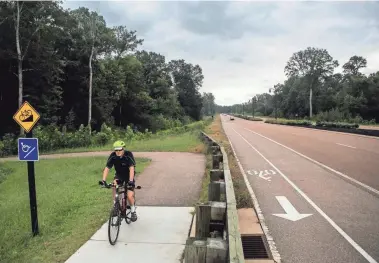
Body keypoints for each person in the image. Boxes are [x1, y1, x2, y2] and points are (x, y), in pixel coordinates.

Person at [100, 140, 137, 222]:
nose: (118, 152)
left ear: (123, 149)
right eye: (116, 150)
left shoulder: (128, 154)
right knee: (113, 185)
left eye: (119, 150)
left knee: (130, 196)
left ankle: (133, 211)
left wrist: (131, 181)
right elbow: (107, 168)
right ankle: (115, 206)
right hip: (119, 175)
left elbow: (131, 168)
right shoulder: (113, 156)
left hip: (128, 176)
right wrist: (103, 180)